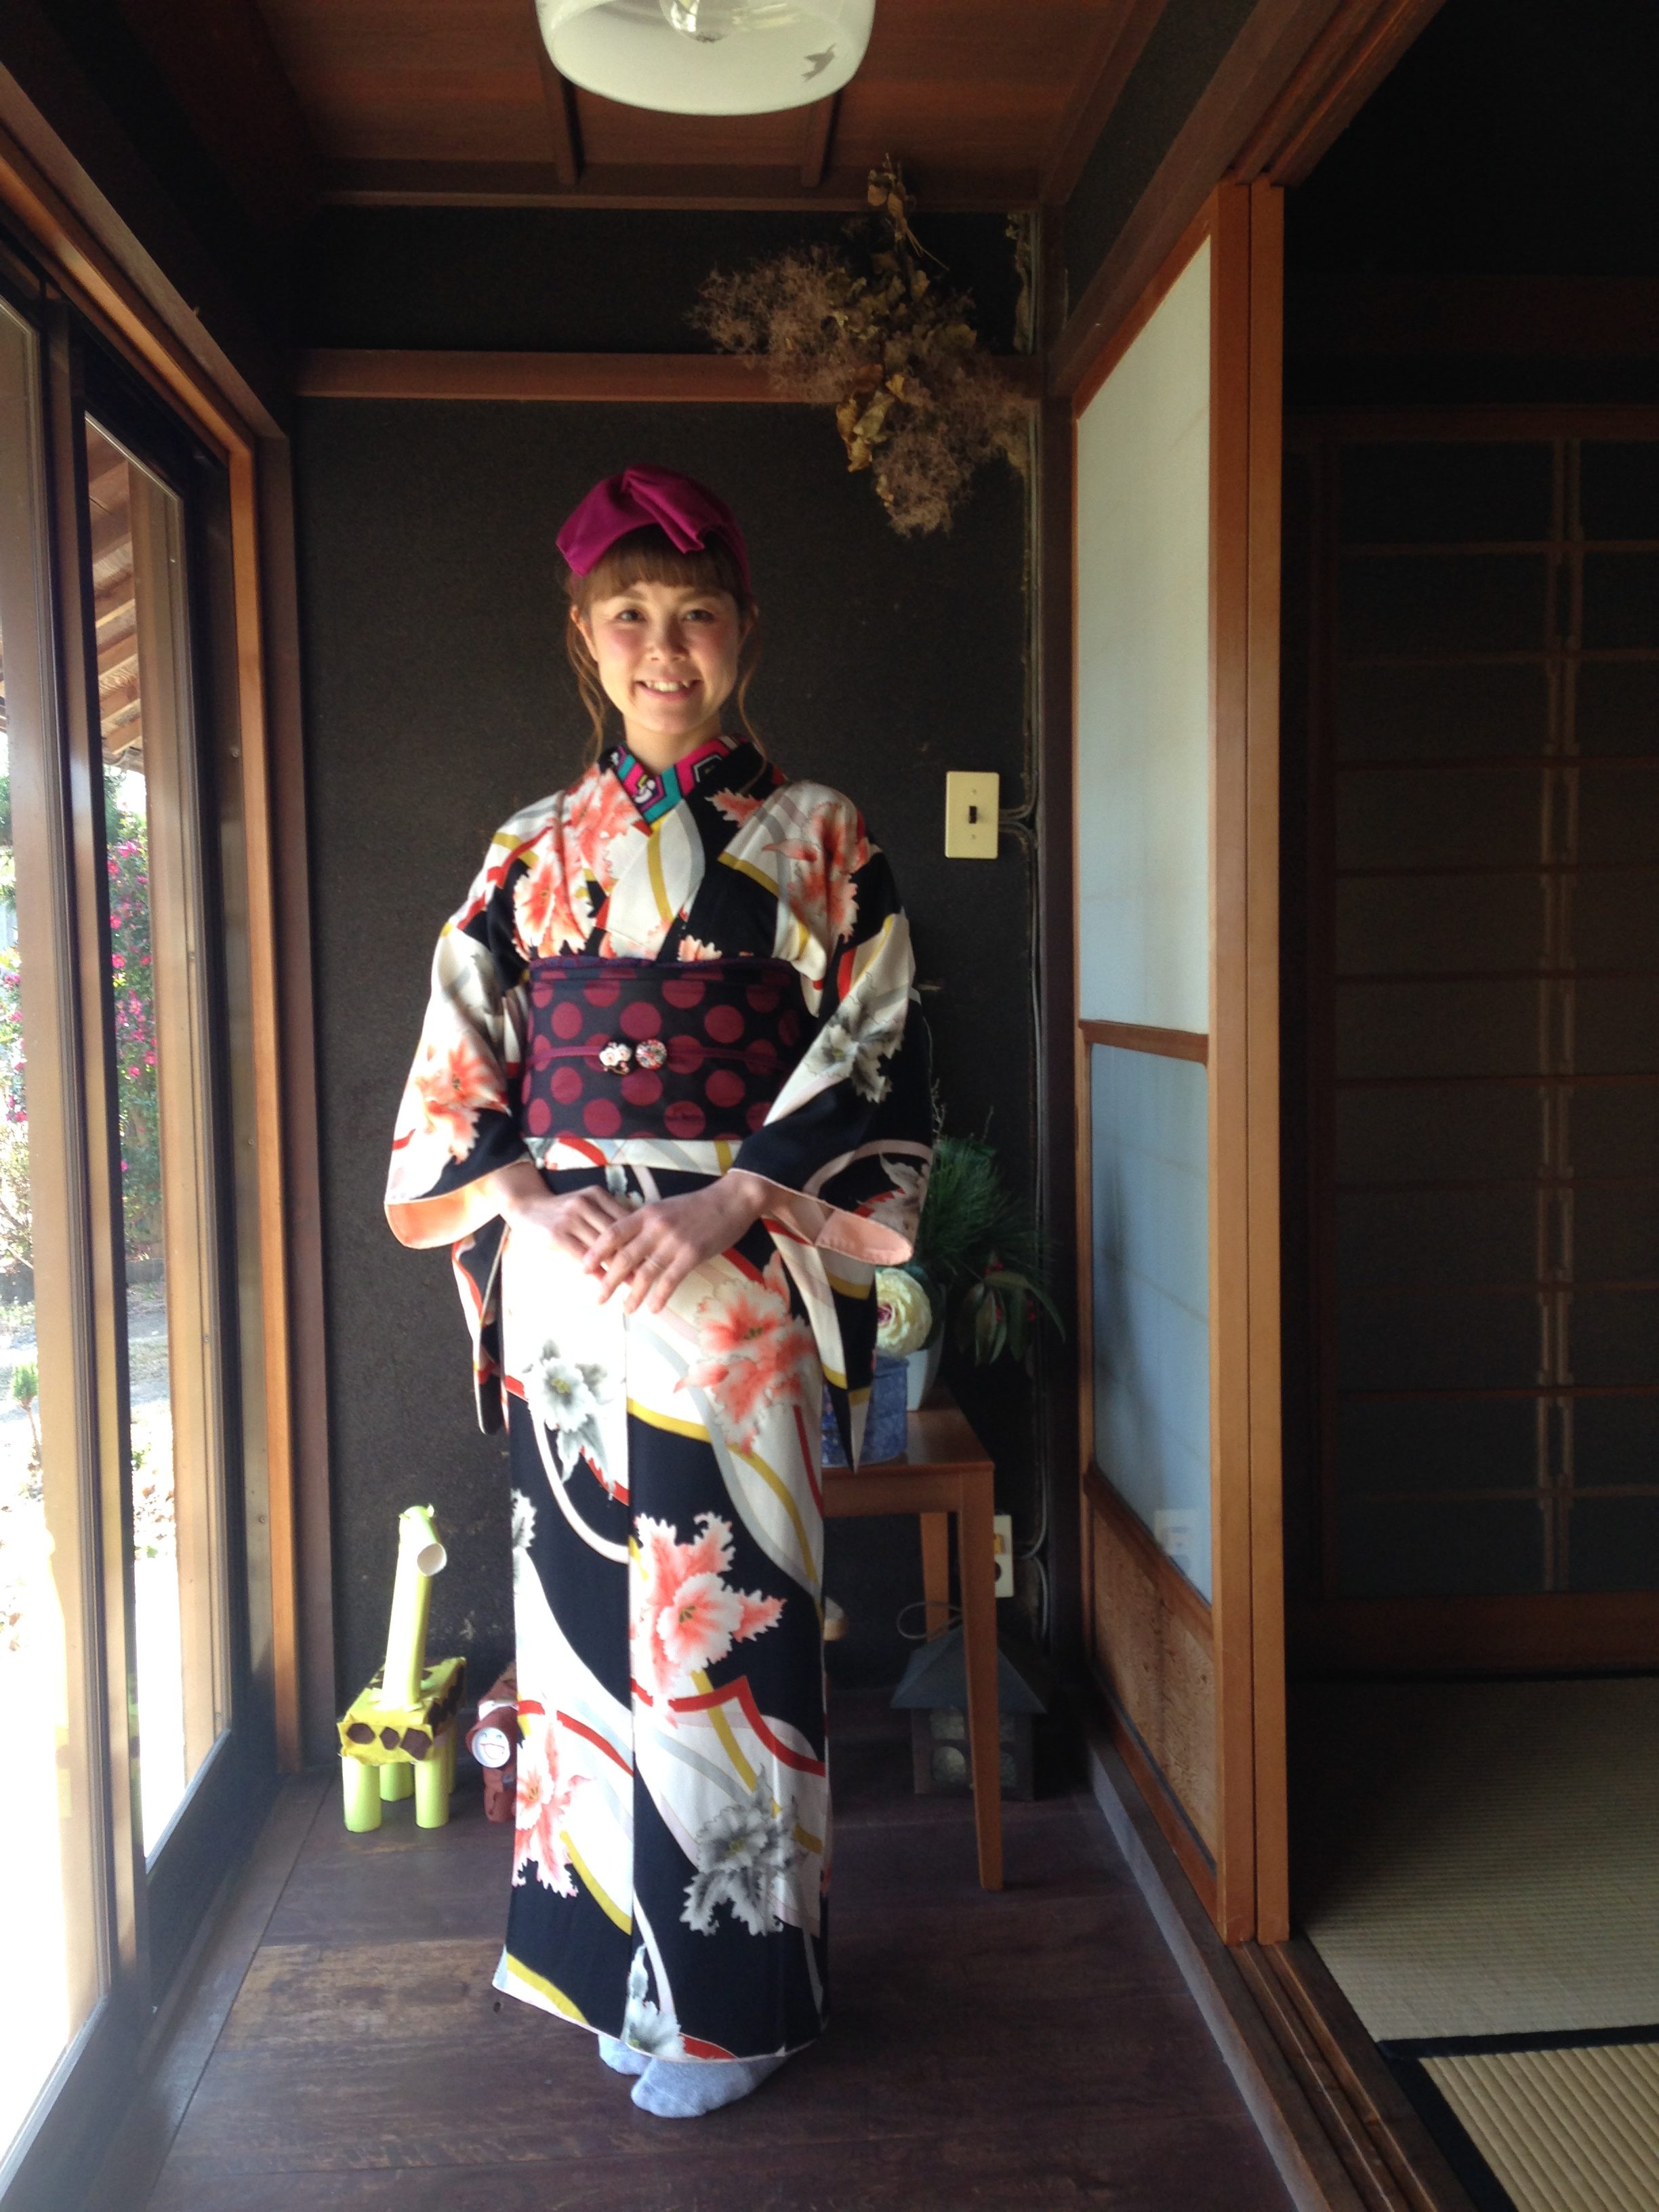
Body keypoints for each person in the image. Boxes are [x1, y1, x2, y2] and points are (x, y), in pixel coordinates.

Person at [385, 466, 932, 2118]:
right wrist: (523, 1198)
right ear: (585, 637)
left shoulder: (823, 834)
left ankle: (733, 2010)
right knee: (578, 1645)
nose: (664, 647)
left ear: (746, 630)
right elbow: (463, 1053)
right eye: (629, 615)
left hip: (737, 1283)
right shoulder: (529, 848)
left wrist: (732, 1196)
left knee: (725, 1636)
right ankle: (611, 1970)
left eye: (695, 613)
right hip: (568, 1289)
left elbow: (876, 1046)